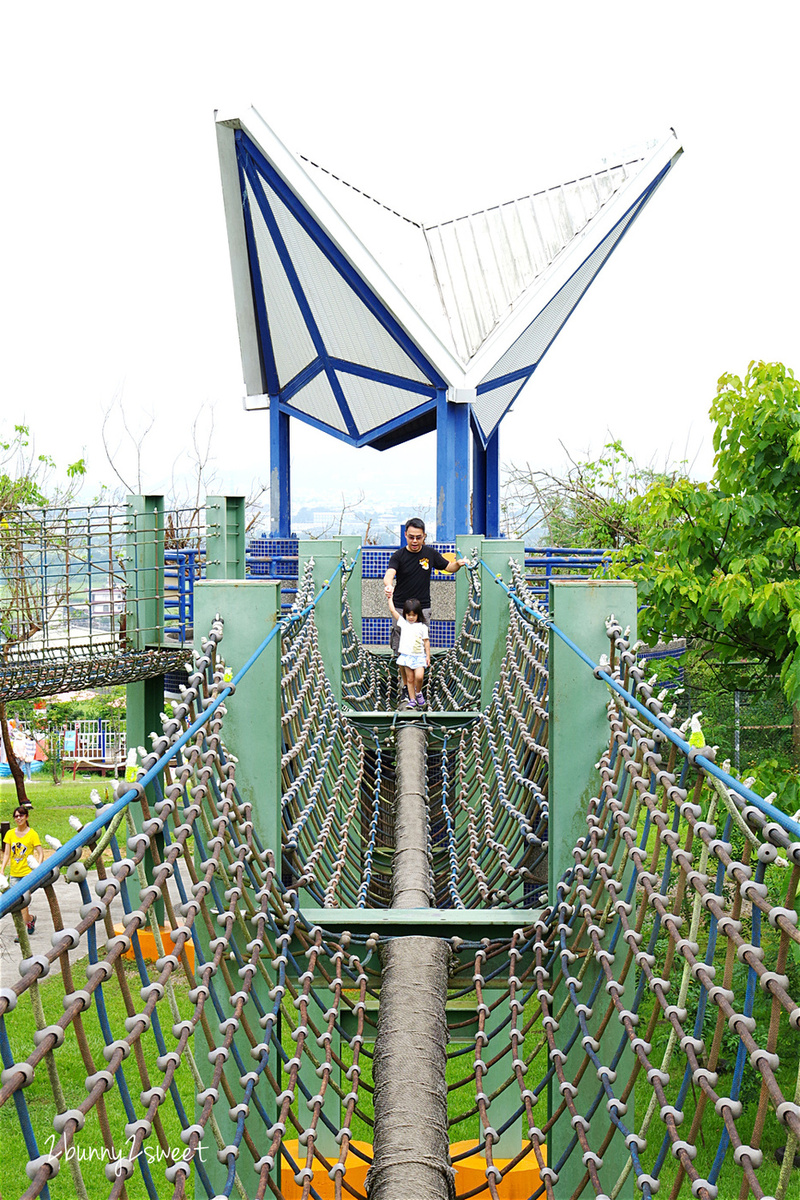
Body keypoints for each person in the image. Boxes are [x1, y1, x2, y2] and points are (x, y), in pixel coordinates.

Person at [382, 519, 468, 694]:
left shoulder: (430, 553)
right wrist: (388, 585)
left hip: (422, 609)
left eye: (418, 537)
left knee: (419, 648)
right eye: (411, 537)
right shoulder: (398, 556)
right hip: (400, 608)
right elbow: (390, 573)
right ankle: (406, 686)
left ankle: (417, 687)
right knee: (401, 650)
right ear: (405, 535)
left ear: (424, 537)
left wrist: (458, 564)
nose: (414, 541)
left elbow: (448, 567)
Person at [1, 806, 43, 936]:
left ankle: (21, 934)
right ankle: (29, 920)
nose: (18, 818)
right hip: (14, 874)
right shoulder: (10, 834)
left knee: (22, 902)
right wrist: (2, 869)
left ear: (26, 817)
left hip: (27, 874)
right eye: (16, 816)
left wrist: (37, 867)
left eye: (21, 815)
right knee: (15, 903)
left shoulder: (32, 834)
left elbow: (40, 852)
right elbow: (7, 853)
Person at [387, 596, 430, 708]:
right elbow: (393, 611)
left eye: (413, 615)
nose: (411, 617)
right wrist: (390, 598)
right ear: (405, 614)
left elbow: (426, 642)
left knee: (419, 677)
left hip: (419, 657)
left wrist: (428, 656)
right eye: (408, 615)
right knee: (410, 679)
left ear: (418, 615)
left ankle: (418, 692)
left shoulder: (422, 627)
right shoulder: (403, 623)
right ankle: (412, 700)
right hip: (407, 656)